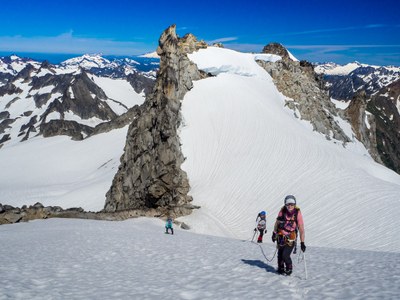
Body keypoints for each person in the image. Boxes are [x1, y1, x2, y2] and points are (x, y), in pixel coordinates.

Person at [272, 195, 306, 275]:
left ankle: (289, 268)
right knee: (280, 254)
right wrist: (274, 233)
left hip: (291, 236)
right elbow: (277, 223)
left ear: (295, 204)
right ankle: (280, 268)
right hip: (280, 235)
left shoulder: (297, 213)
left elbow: (301, 228)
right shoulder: (282, 211)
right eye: (288, 204)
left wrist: (302, 242)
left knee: (285, 255)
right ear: (285, 204)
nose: (290, 206)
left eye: (292, 204)